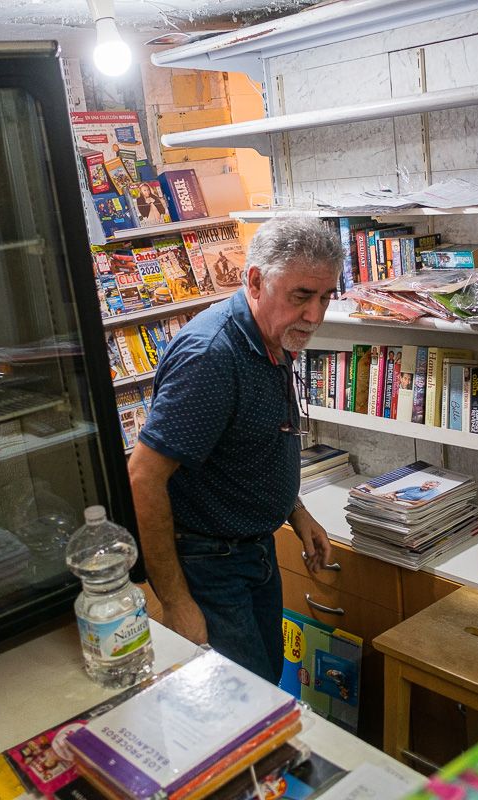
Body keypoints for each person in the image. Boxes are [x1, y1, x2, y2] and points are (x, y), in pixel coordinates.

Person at [128, 214, 342, 683]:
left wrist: (296, 512)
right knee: (240, 701)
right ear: (256, 281)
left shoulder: (273, 334)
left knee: (266, 682)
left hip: (252, 552)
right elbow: (142, 479)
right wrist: (176, 603)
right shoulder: (211, 357)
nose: (315, 315)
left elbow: (255, 441)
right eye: (302, 295)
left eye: (326, 297)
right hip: (208, 563)